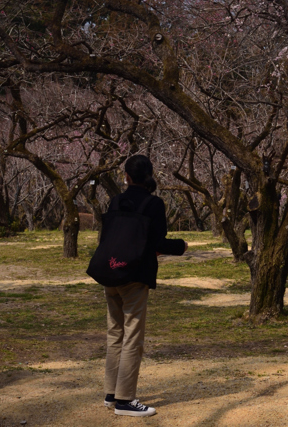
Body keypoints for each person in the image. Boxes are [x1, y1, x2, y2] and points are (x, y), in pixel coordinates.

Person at [101, 155, 187, 417]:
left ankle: (111, 394)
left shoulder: (116, 200)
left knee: (115, 333)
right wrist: (180, 246)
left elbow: (107, 238)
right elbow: (158, 243)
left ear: (126, 176)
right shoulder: (153, 203)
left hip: (110, 273)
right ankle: (125, 400)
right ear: (150, 174)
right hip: (135, 277)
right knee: (133, 337)